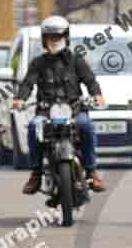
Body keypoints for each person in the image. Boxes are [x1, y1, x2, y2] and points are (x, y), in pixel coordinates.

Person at [14, 16, 107, 195]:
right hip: (46, 110)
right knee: (34, 127)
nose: (54, 40)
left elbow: (90, 80)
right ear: (44, 40)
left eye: (58, 37)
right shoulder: (38, 63)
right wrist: (20, 99)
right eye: (50, 37)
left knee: (86, 126)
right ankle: (36, 174)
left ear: (66, 38)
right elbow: (27, 83)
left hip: (75, 109)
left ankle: (92, 171)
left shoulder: (76, 60)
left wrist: (97, 95)